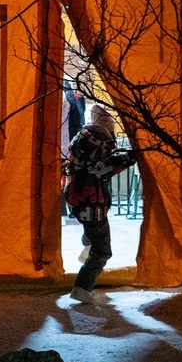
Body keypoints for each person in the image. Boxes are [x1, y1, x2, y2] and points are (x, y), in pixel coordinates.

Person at [62, 103, 134, 305]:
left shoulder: (82, 146)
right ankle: (82, 288)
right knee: (103, 251)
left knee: (92, 231)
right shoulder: (97, 154)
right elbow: (109, 166)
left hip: (78, 203)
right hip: (93, 207)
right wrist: (135, 154)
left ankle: (87, 245)